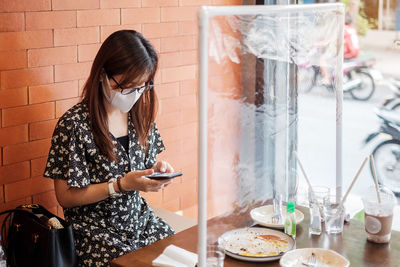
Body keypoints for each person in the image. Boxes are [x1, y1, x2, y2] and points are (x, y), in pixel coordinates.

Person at [44, 30, 175, 266]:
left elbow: (145, 166)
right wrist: (120, 185)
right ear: (103, 75)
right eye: (127, 87)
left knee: (180, 254)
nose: (134, 95)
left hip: (140, 222)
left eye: (141, 87)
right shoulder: (74, 125)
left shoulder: (140, 116)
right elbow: (64, 197)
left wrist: (157, 171)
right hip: (95, 234)